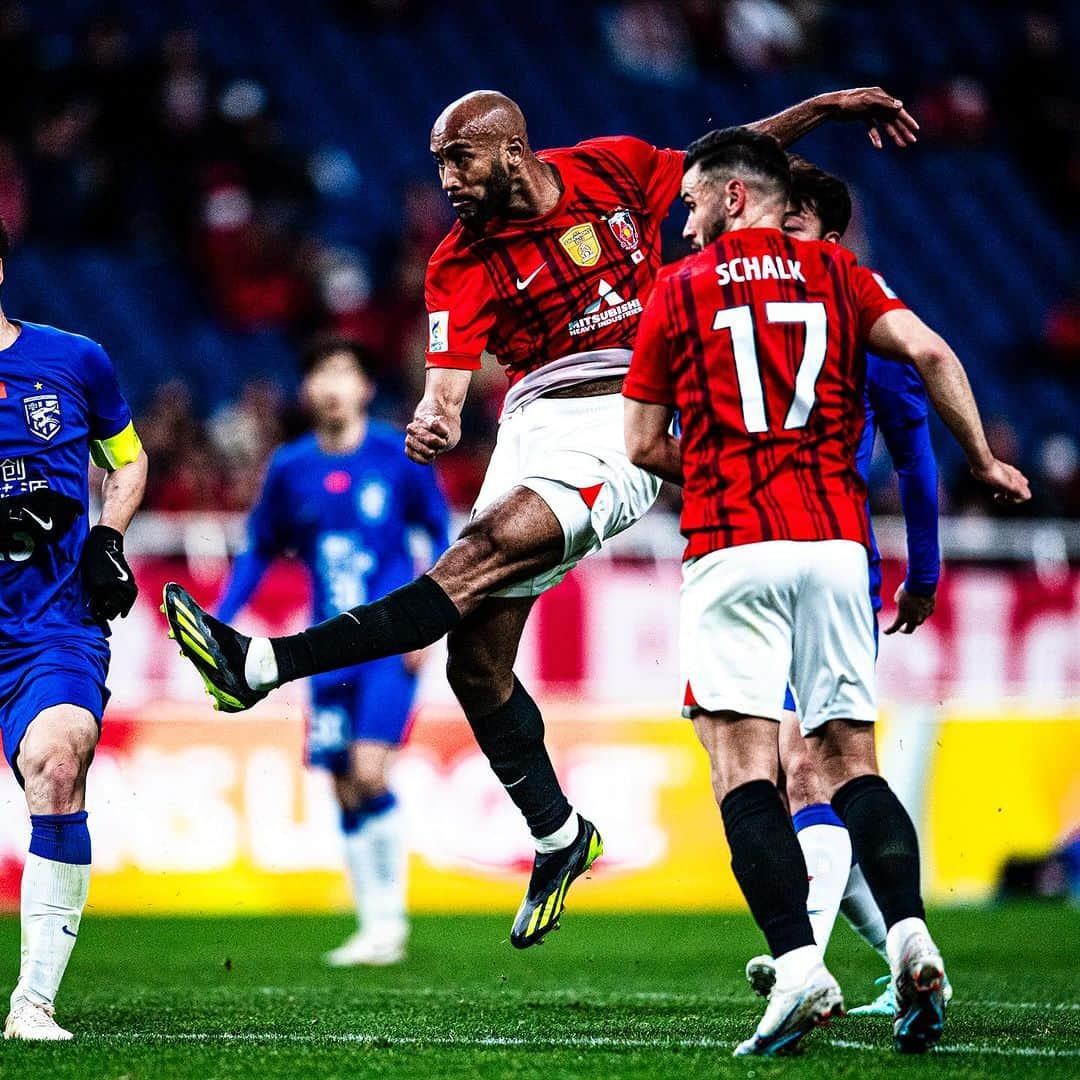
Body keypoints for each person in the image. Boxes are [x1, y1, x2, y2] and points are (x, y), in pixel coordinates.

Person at [163, 86, 920, 950]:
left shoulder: (614, 168)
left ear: (512, 149)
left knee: (477, 555)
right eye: (439, 163)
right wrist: (437, 416)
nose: (446, 179)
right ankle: (560, 837)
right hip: (532, 423)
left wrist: (827, 106)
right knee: (474, 665)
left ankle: (262, 664)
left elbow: (734, 160)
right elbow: (446, 384)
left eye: (461, 159)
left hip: (624, 420)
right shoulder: (459, 259)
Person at [621, 128, 1029, 1055]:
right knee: (851, 762)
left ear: (733, 199)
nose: (681, 222)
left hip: (733, 542)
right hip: (837, 543)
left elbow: (642, 443)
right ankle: (910, 936)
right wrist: (986, 459)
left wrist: (721, 461)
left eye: (690, 202)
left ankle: (800, 969)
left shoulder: (676, 292)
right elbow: (930, 355)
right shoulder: (842, 277)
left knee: (743, 765)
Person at [742, 159, 948, 1017]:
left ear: (826, 233)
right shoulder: (744, 304)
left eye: (788, 227)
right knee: (799, 768)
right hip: (748, 557)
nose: (769, 242)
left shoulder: (865, 305)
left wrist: (925, 568)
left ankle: (805, 965)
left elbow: (913, 447)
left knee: (805, 768)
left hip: (826, 558)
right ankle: (901, 952)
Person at [213, 337, 449, 966]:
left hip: (391, 643)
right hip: (323, 649)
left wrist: (432, 622)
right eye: (321, 372)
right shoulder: (291, 467)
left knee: (371, 771)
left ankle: (390, 923)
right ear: (307, 389)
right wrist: (222, 618)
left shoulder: (396, 456)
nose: (332, 384)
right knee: (344, 785)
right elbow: (262, 547)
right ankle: (373, 925)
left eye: (345, 371)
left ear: (365, 388)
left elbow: (440, 533)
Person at [0, 215, 147, 1040]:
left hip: (49, 625)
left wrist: (107, 537)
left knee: (57, 762)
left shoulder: (74, 360)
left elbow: (125, 458)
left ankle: (33, 1004)